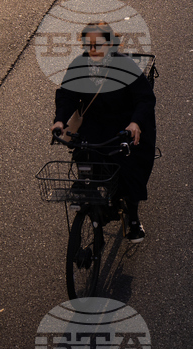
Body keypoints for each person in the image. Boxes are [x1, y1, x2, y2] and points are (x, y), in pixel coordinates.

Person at [52, 21, 156, 242]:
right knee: (85, 153)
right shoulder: (80, 65)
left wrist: (135, 123)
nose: (92, 48)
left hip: (125, 125)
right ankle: (87, 189)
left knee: (128, 167)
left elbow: (145, 99)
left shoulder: (125, 66)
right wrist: (59, 120)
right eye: (88, 44)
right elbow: (67, 95)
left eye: (97, 43)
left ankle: (132, 216)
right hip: (96, 122)